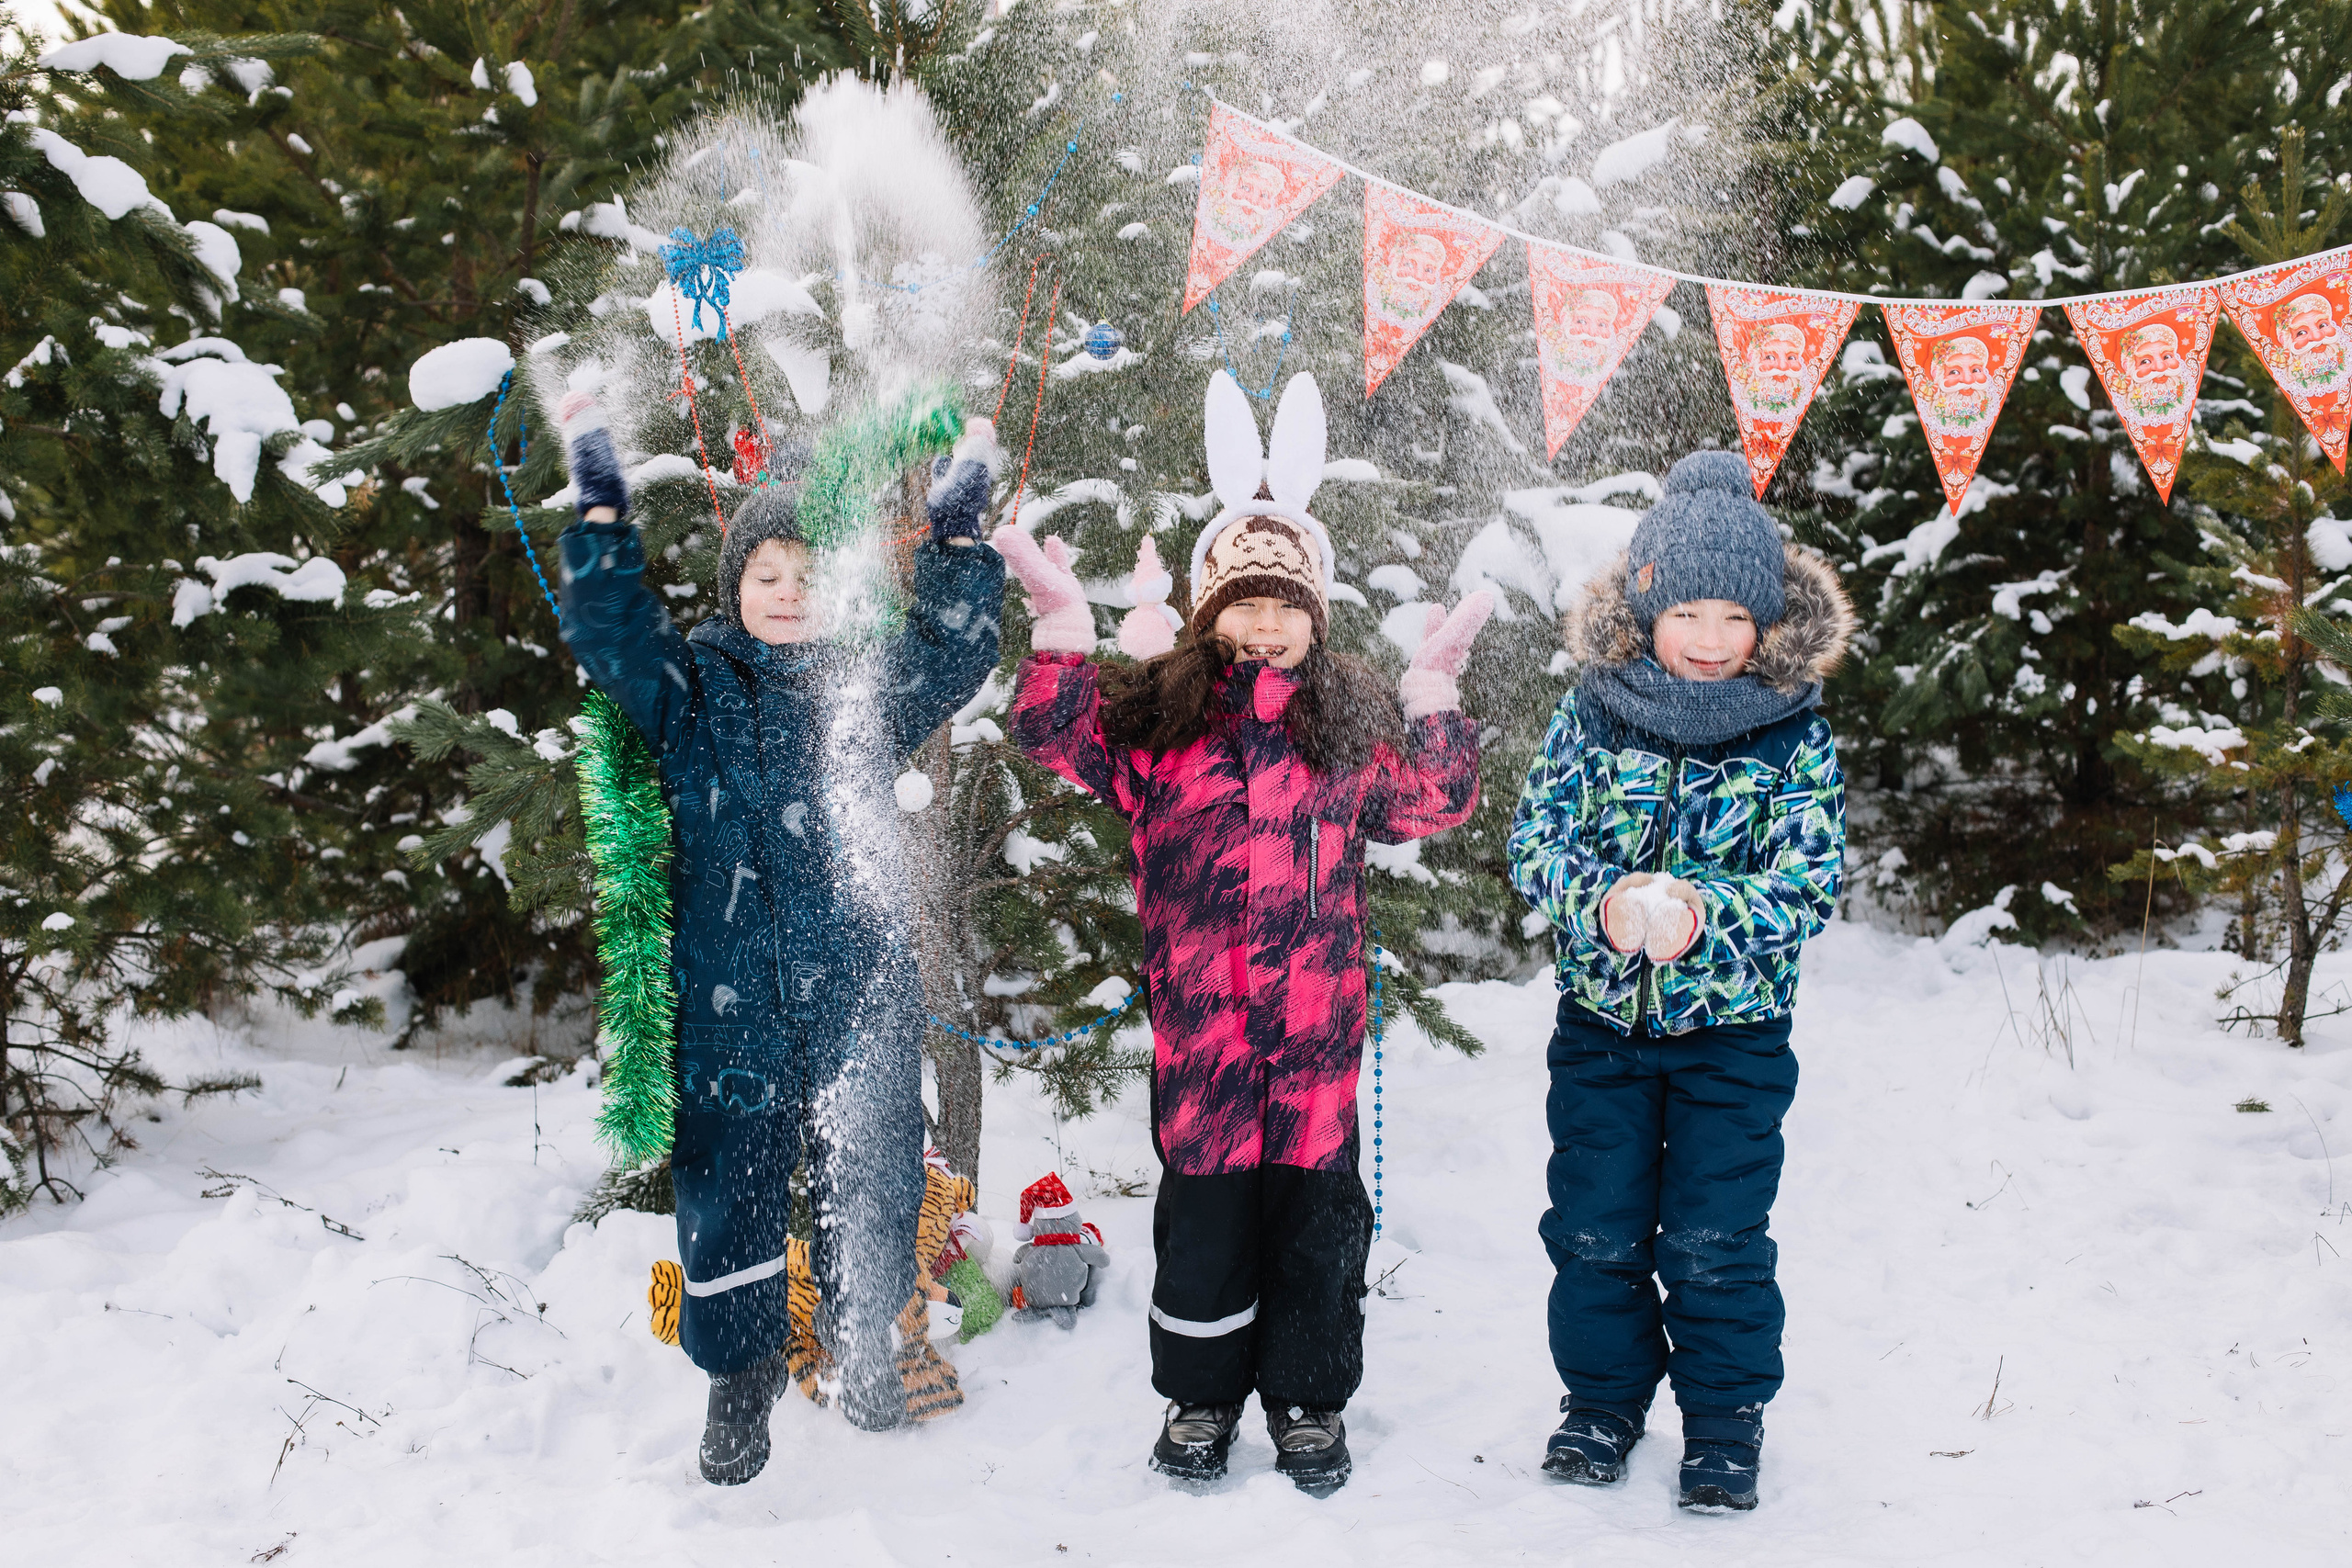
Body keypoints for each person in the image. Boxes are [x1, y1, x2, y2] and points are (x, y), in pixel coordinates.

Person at [997, 370, 1492, 1495]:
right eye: (1243, 600)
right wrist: (1060, 631)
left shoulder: (1349, 728)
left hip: (1315, 1049)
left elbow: (1434, 802)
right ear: (1211, 609)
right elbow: (1049, 731)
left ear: (1313, 614)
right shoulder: (1160, 729)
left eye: (1285, 603)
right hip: (1207, 1048)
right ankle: (1199, 1402)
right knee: (1208, 1227)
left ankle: (1310, 1404)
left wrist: (1433, 698)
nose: (1263, 622)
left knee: (1316, 1230)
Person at [554, 390, 1004, 1484]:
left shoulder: (867, 685)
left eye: (809, 578)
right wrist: (602, 533)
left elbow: (951, 651)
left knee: (876, 1173)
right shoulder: (692, 693)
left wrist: (956, 545)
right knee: (733, 1193)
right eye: (767, 578)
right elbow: (615, 638)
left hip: (858, 994)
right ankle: (739, 1385)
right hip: (731, 1002)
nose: (789, 594)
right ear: (735, 589)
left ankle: (864, 1345)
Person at [1506, 449, 1854, 1513]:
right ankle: (1603, 1405)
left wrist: (1705, 914)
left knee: (1712, 1235)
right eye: (1687, 614)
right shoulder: (1591, 716)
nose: (1709, 642)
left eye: (1733, 620)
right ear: (1645, 611)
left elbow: (1807, 882)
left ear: (1767, 626)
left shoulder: (1791, 736)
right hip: (1602, 1028)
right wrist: (1602, 902)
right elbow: (1535, 843)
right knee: (1594, 1228)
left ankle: (1722, 1421)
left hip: (1734, 1038)